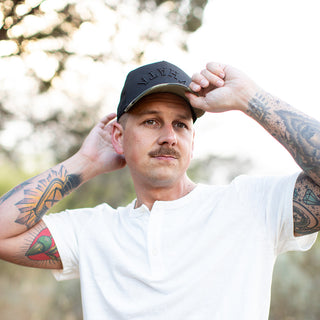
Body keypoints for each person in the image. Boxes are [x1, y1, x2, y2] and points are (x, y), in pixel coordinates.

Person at [0, 60, 319, 319]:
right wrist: (86, 161)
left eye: (181, 124)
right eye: (152, 121)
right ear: (117, 136)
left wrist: (251, 99)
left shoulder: (252, 206)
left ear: (192, 141)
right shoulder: (93, 231)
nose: (169, 136)